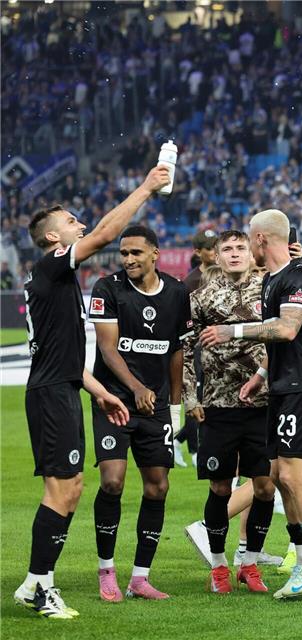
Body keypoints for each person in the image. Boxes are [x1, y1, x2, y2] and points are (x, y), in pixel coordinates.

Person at [15, 165, 168, 619]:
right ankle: (38, 587)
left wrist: (100, 391)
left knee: (72, 487)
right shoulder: (50, 266)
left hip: (61, 388)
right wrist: (146, 187)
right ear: (52, 240)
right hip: (50, 395)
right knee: (63, 491)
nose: (79, 223)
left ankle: (35, 583)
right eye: (70, 221)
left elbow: (61, 356)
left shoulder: (54, 279)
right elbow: (103, 235)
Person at [199, 208, 302, 599]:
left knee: (294, 475)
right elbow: (277, 341)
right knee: (278, 474)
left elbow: (288, 329)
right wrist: (259, 377)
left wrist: (231, 330)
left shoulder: (298, 277)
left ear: (260, 239)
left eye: (250, 240)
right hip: (280, 387)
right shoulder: (272, 280)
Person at [88, 225, 191, 602]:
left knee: (158, 486)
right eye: (123, 253)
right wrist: (135, 389)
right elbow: (107, 348)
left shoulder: (178, 292)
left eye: (135, 253)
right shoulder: (107, 288)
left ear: (154, 254)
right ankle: (106, 571)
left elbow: (176, 349)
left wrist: (175, 404)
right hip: (114, 401)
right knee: (112, 481)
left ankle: (140, 577)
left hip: (156, 405)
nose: (128, 259)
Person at [181, 230, 280, 594]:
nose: (235, 254)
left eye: (240, 247)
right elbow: (186, 349)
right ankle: (219, 565)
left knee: (265, 487)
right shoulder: (201, 297)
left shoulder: (270, 289)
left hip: (264, 404)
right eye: (227, 249)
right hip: (218, 405)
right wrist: (190, 397)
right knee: (220, 486)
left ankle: (250, 563)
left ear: (252, 252)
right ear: (216, 257)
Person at [176, 229, 220, 467]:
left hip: (225, 352)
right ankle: (194, 448)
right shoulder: (189, 284)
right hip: (199, 352)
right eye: (210, 248)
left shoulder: (229, 275)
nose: (215, 252)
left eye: (217, 246)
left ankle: (181, 440)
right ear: (198, 252)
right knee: (198, 400)